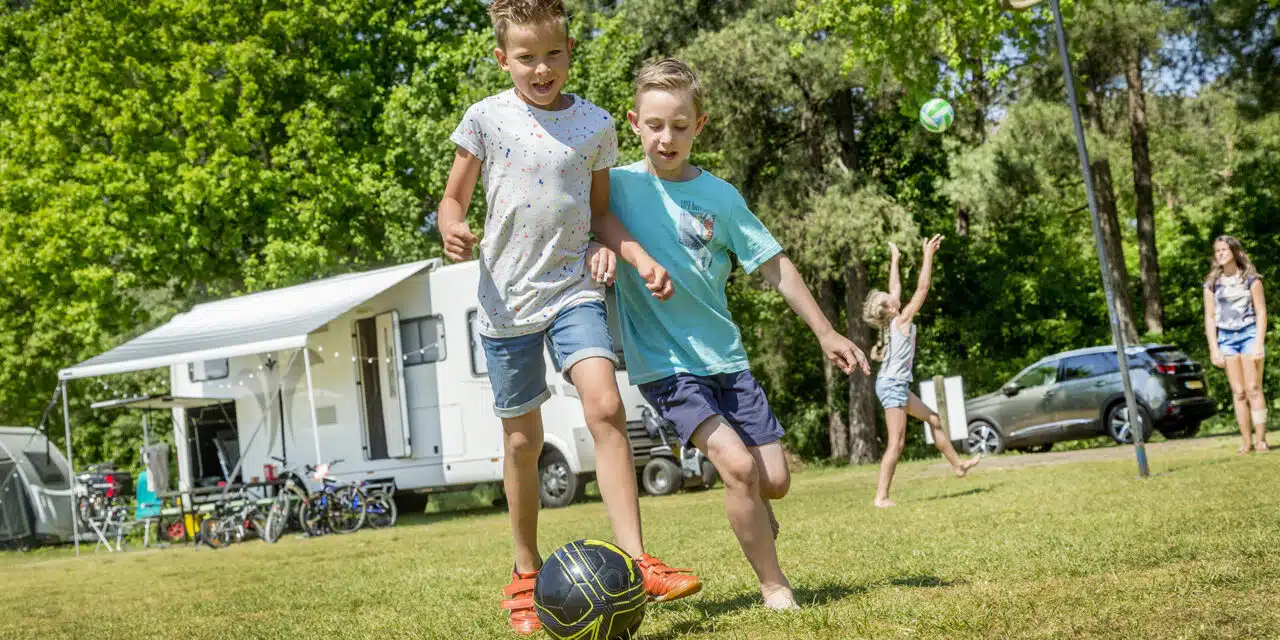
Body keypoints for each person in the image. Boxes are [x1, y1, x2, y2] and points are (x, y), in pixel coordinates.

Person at [435, 2, 700, 634]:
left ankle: (638, 561)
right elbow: (452, 198)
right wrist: (452, 227)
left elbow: (601, 213)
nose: (541, 68)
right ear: (503, 59)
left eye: (553, 53)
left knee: (605, 408)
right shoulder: (485, 119)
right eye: (526, 57)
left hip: (572, 291)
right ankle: (525, 574)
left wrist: (629, 254)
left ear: (570, 50)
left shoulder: (595, 124)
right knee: (522, 442)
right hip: (506, 303)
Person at [608, 57, 870, 611]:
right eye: (654, 125)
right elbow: (585, 229)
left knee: (774, 481)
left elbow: (775, 265)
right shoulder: (616, 188)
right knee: (738, 464)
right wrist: (595, 251)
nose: (666, 138)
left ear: (699, 126)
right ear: (634, 123)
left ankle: (751, 496)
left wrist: (826, 332)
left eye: (680, 125)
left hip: (726, 359)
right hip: (665, 364)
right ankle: (775, 585)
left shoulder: (722, 197)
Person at [862, 238, 980, 508]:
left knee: (934, 420)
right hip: (892, 385)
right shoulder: (901, 320)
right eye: (888, 297)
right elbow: (923, 288)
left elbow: (895, 286)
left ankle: (958, 466)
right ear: (889, 308)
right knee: (897, 443)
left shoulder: (893, 320)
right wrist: (928, 255)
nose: (892, 294)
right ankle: (881, 496)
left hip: (896, 384)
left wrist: (895, 258)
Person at [1204, 235, 1268, 454]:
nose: (1220, 254)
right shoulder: (1212, 284)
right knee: (1239, 392)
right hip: (1227, 339)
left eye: (1224, 249)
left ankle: (1261, 441)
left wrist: (1259, 343)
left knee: (1253, 389)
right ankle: (1246, 442)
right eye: (1217, 251)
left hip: (1249, 335)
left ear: (1234, 251)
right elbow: (1210, 317)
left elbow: (1261, 312)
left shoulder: (1251, 279)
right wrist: (1214, 348)